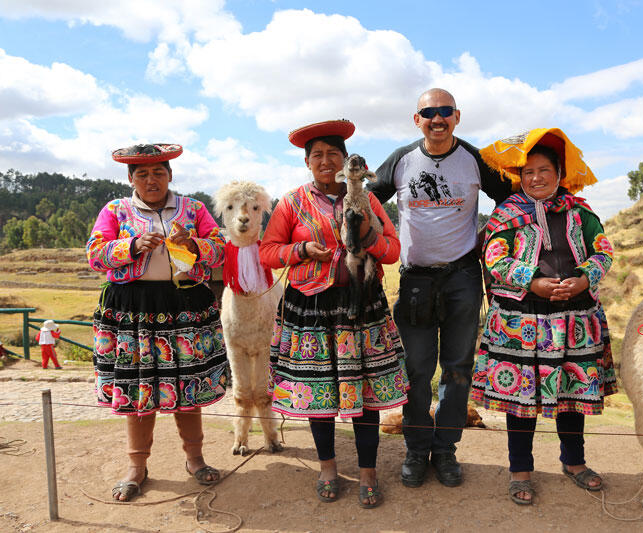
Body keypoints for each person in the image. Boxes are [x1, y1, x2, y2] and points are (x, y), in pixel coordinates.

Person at [368, 88, 515, 488]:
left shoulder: (474, 159)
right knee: (415, 371)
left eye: (444, 111)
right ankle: (416, 452)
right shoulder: (401, 160)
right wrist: (379, 240)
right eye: (428, 112)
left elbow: (512, 199)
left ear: (457, 116)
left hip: (463, 279)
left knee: (457, 370)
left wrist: (491, 236)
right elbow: (366, 201)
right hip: (415, 280)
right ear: (417, 120)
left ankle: (446, 451)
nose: (437, 118)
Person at [260, 119, 407, 508]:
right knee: (318, 393)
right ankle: (327, 467)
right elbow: (268, 251)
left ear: (345, 162)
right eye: (318, 156)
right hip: (310, 309)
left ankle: (368, 472)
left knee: (367, 394)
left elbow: (392, 250)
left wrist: (368, 238)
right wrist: (302, 251)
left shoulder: (368, 199)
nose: (326, 161)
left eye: (333, 155)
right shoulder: (291, 203)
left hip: (359, 307)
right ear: (308, 163)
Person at [471, 128, 617, 504]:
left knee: (572, 394)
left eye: (543, 170)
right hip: (521, 321)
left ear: (559, 173)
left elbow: (603, 253)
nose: (535, 178)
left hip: (574, 319)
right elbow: (494, 257)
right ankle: (520, 470)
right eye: (528, 172)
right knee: (522, 401)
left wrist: (583, 279)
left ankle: (575, 463)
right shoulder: (506, 215)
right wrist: (533, 282)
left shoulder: (582, 213)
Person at [86, 143, 227, 501]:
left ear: (170, 176)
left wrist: (193, 244)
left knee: (188, 387)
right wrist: (131, 246)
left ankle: (195, 459)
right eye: (143, 174)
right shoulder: (116, 210)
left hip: (184, 305)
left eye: (159, 173)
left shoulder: (192, 208)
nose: (152, 180)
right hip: (133, 309)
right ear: (131, 179)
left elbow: (220, 247)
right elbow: (94, 254)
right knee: (137, 390)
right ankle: (137, 467)